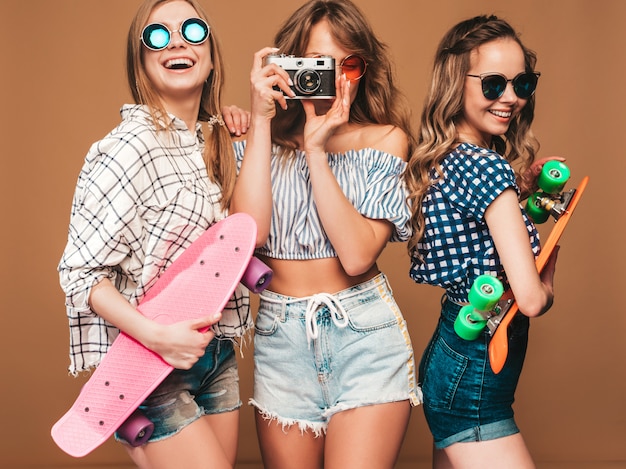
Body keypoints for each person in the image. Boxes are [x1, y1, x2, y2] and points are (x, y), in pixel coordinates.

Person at [58, 1, 251, 467]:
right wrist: (156, 336)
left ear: (210, 55)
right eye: (158, 36)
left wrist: (243, 131)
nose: (178, 41)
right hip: (151, 365)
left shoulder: (218, 141)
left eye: (191, 29)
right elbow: (79, 273)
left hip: (216, 353)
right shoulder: (128, 146)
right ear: (141, 60)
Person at [230, 1, 421, 468]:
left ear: (364, 69)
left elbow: (356, 257)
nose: (335, 80)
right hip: (281, 339)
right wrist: (259, 121)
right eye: (318, 64)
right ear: (287, 64)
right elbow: (248, 237)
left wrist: (316, 150)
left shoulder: (384, 139)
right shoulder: (257, 142)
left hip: (365, 337)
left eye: (348, 65)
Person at [404, 15, 560, 468]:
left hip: (451, 353)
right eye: (494, 84)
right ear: (456, 82)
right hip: (473, 374)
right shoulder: (487, 169)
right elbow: (528, 299)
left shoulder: (449, 156)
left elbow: (475, 236)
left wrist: (523, 189)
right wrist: (549, 278)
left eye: (521, 83)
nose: (510, 97)